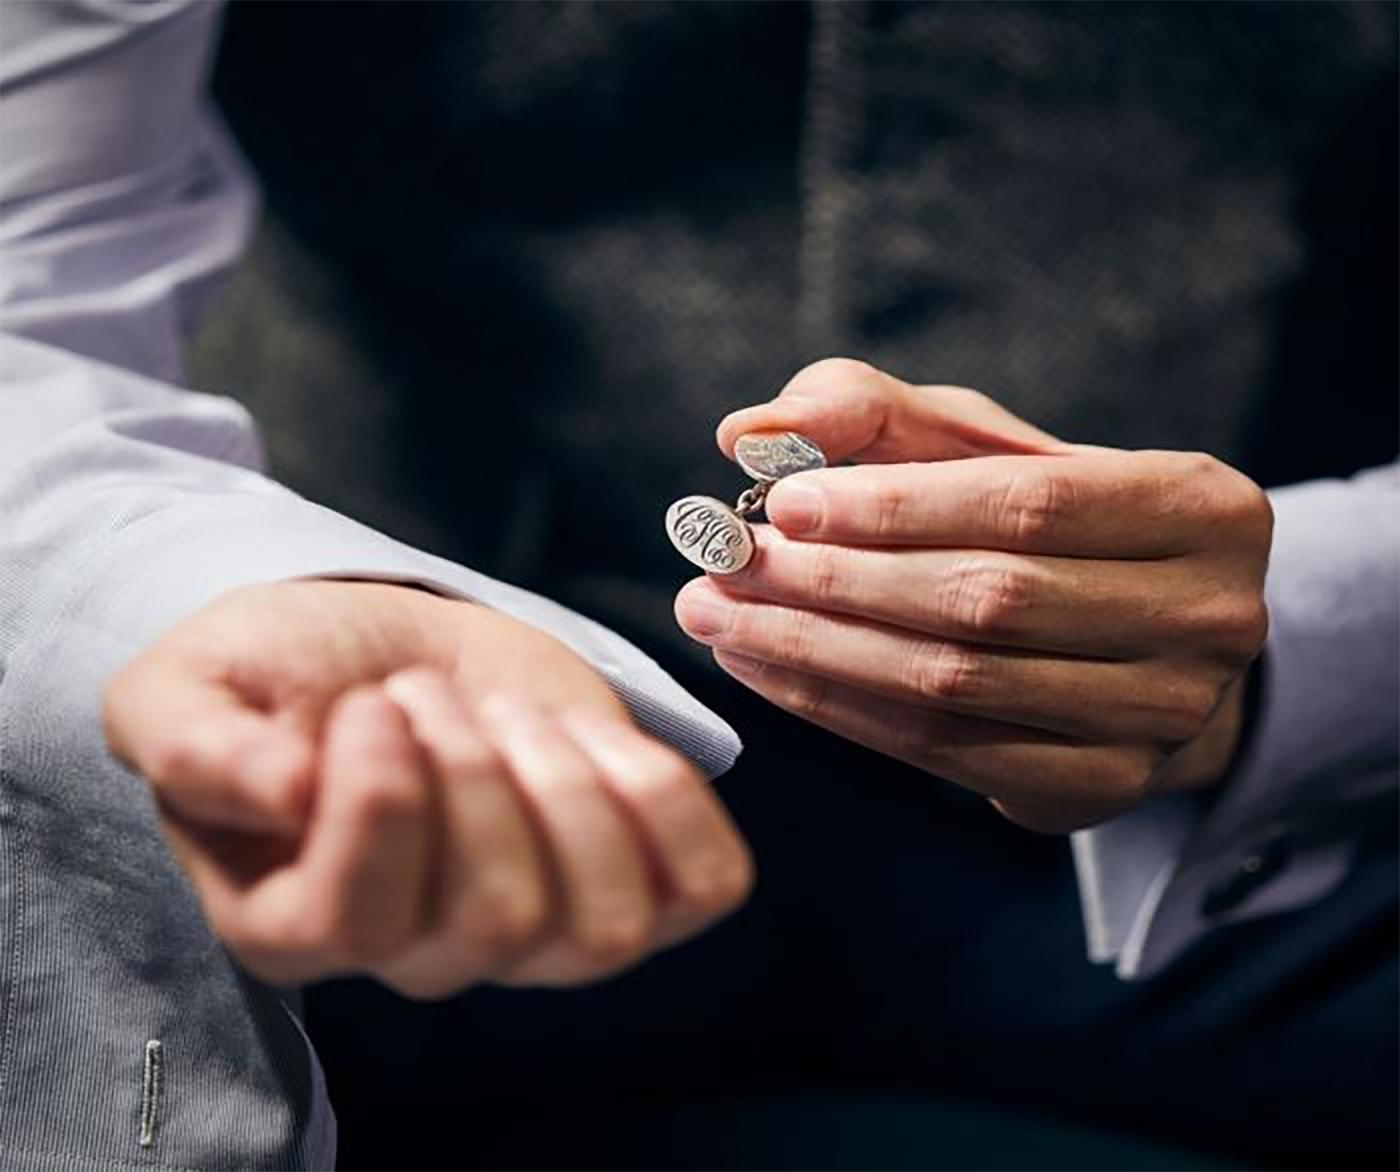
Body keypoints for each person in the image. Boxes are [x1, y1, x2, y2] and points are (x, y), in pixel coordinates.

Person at [1, 1, 1394, 1169]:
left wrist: (1307, 629)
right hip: (420, 738)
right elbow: (23, 282)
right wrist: (225, 593)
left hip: (1257, 788)